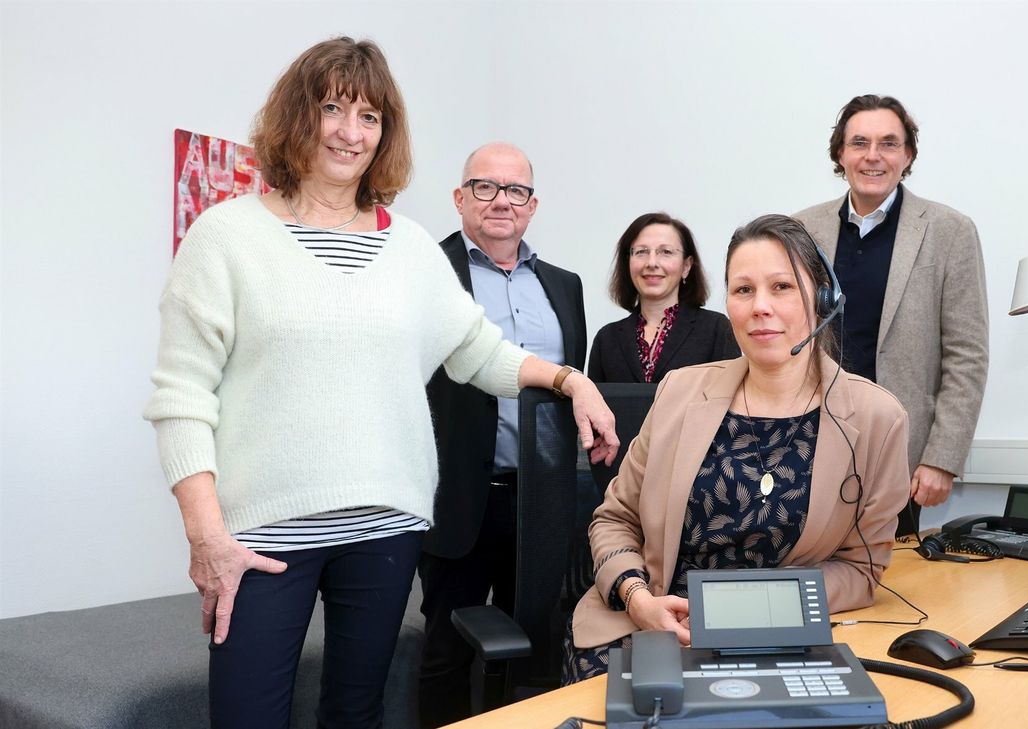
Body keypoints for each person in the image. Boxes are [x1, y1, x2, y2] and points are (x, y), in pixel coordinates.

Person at [142, 39, 616, 728]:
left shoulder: (411, 249)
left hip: (386, 529)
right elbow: (181, 398)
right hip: (262, 534)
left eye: (368, 116)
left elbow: (479, 351)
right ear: (295, 117)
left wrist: (571, 379)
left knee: (358, 711)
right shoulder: (226, 237)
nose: (348, 131)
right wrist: (207, 536)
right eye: (331, 107)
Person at [562, 214, 910, 683]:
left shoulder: (876, 419)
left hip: (781, 634)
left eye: (782, 287)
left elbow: (860, 567)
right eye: (743, 290)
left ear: (823, 298)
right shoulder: (679, 392)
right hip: (650, 624)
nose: (759, 307)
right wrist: (636, 597)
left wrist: (747, 611)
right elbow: (615, 518)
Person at [418, 142, 588, 727]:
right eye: (485, 187)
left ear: (532, 205)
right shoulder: (426, 270)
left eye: (515, 190)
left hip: (542, 503)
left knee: (538, 653)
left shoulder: (565, 286)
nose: (501, 202)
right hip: (457, 496)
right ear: (460, 197)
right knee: (445, 652)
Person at [793, 94, 988, 537]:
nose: (873, 156)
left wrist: (942, 457)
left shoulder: (949, 232)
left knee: (891, 590)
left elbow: (967, 355)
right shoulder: (800, 230)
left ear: (908, 155)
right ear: (840, 154)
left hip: (897, 453)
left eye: (889, 143)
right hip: (807, 446)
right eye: (859, 142)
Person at [587, 212, 739, 384]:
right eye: (641, 252)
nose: (652, 263)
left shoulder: (717, 329)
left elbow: (727, 402)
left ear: (686, 266)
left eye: (665, 252)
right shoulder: (607, 339)